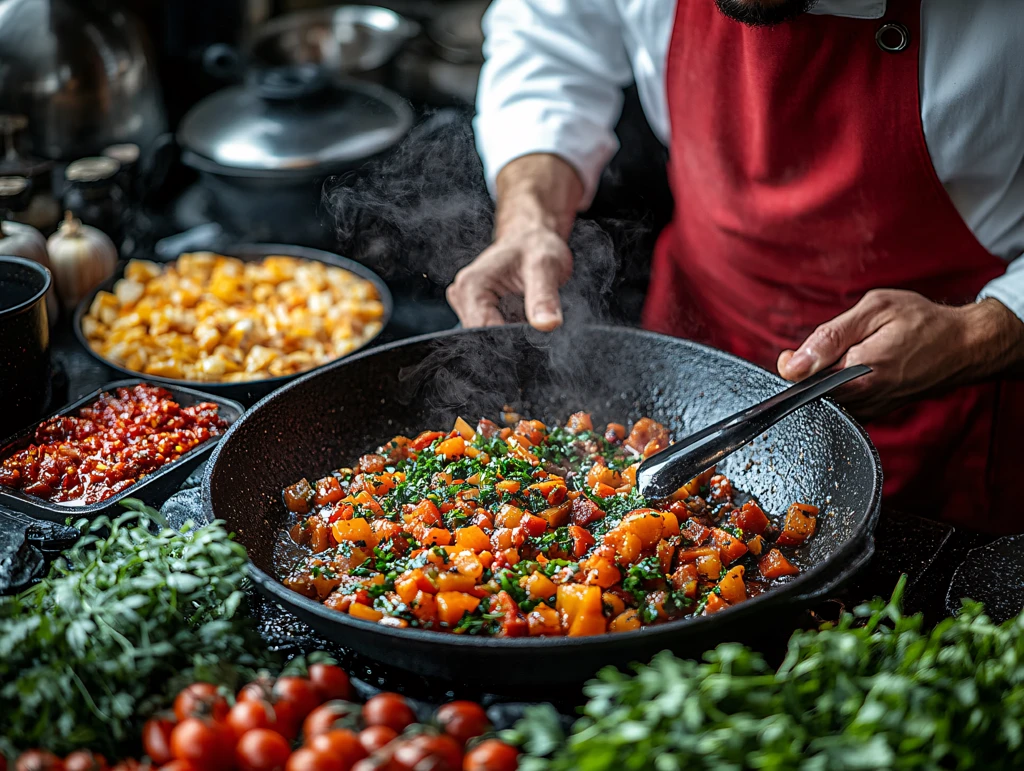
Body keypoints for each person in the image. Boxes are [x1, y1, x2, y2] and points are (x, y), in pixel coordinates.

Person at [446, 0, 1024, 531]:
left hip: (946, 406)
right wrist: (530, 216)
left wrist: (979, 334)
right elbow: (552, 37)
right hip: (690, 355)